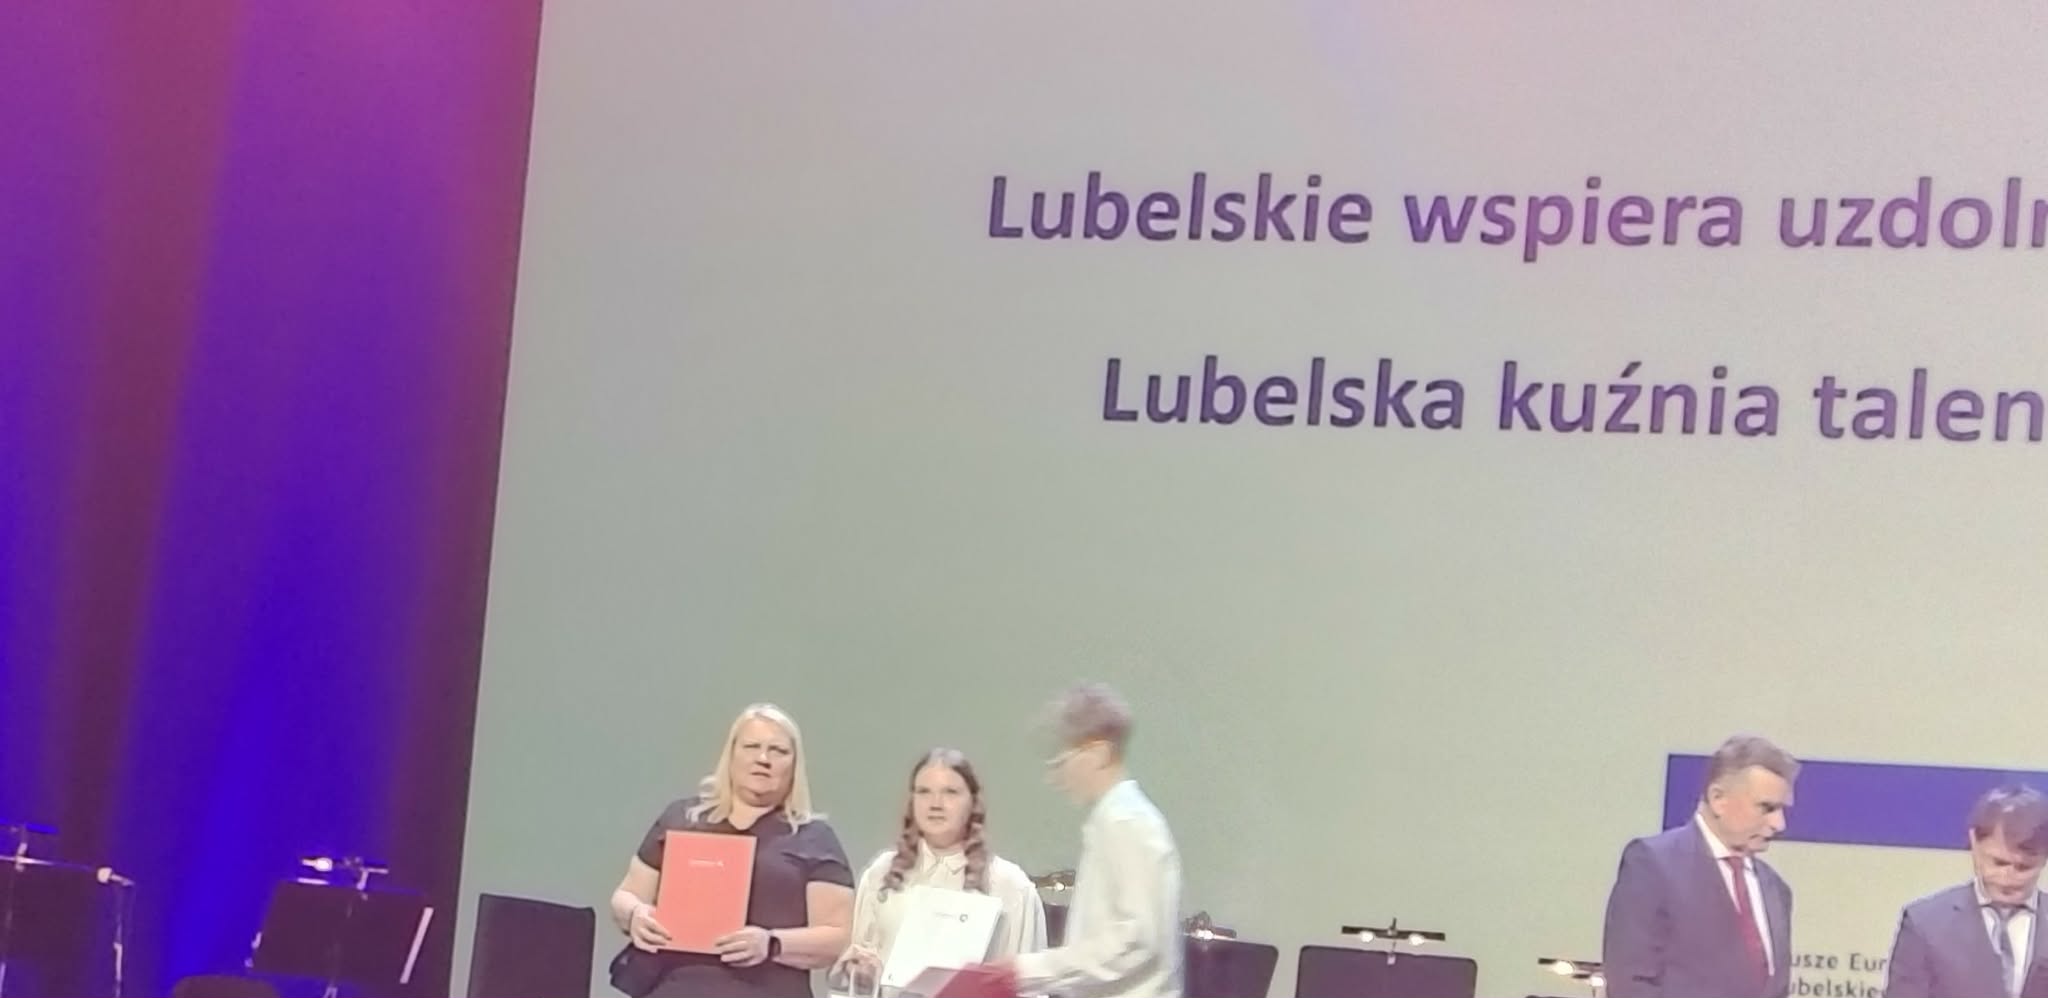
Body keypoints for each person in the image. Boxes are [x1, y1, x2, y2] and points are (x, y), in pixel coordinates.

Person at [607, 703, 855, 998]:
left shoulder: (814, 838)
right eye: (752, 746)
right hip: (674, 986)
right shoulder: (681, 819)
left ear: (795, 765)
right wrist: (636, 915)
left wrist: (772, 943)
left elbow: (837, 936)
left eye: (778, 751)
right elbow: (625, 896)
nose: (763, 759)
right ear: (732, 754)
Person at [979, 682, 1182, 998]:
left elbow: (1137, 939)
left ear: (1099, 754)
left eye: (1062, 761)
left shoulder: (1127, 822)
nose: (1055, 777)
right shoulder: (1114, 822)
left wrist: (1027, 970)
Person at [1601, 734, 1799, 998]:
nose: (1779, 824)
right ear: (1718, 798)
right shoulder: (1653, 865)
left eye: (1782, 810)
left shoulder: (1775, 889)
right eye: (1767, 807)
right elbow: (1631, 983)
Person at [835, 748, 1047, 991]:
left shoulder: (1009, 885)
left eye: (950, 792)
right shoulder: (882, 874)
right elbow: (860, 972)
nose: (935, 804)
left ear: (973, 802)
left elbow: (1025, 984)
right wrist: (860, 971)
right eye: (924, 792)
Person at [1883, 784, 2048, 998]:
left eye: (2024, 868)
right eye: (1998, 862)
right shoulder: (1925, 925)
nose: (2008, 877)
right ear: (1974, 843)